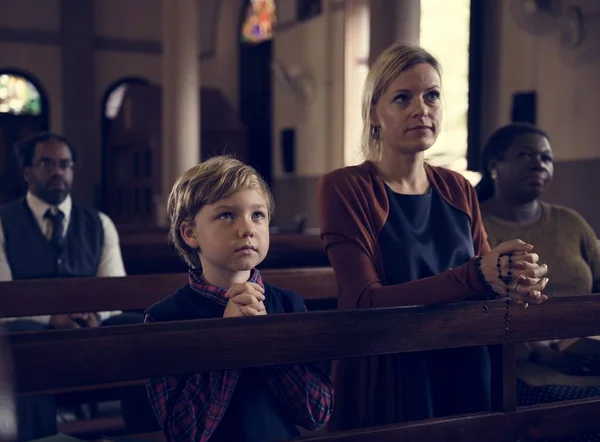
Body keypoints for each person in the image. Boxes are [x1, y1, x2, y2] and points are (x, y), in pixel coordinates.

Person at [317, 42, 549, 430]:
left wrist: (516, 277)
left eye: (432, 96)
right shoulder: (347, 187)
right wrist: (477, 276)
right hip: (391, 372)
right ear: (374, 112)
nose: (421, 109)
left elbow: (487, 277)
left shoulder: (458, 187)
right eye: (403, 98)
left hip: (464, 361)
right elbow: (363, 301)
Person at [144, 156, 334, 442]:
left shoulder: (289, 305)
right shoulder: (164, 319)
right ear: (190, 233)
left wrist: (266, 339)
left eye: (257, 215)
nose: (248, 228)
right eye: (227, 215)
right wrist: (228, 341)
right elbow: (185, 434)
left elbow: (316, 414)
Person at [0, 132, 155, 439]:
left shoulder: (99, 223)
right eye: (46, 163)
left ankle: (148, 434)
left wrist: (94, 315)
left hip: (90, 326)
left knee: (140, 328)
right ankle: (40, 438)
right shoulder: (3, 222)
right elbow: (3, 298)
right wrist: (52, 319)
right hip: (32, 331)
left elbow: (114, 291)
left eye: (65, 164)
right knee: (20, 341)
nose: (57, 171)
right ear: (27, 171)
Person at [476, 123, 600, 442]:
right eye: (525, 155)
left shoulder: (570, 222)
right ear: (494, 166)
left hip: (587, 357)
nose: (538, 164)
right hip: (519, 372)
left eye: (546, 157)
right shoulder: (477, 227)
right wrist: (540, 353)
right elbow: (475, 309)